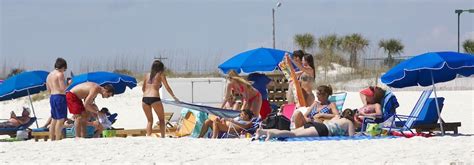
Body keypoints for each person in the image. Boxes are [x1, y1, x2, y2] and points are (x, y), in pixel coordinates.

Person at [255, 109, 357, 141]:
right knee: (293, 135)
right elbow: (352, 137)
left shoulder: (336, 117)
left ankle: (263, 131)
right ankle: (272, 133)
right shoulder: (349, 122)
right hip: (323, 130)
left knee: (291, 132)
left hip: (314, 125)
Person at [142, 60, 179, 138]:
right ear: (160, 68)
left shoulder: (147, 75)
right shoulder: (161, 75)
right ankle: (162, 137)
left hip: (145, 99)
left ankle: (148, 136)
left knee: (149, 120)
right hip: (154, 98)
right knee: (161, 119)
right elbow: (167, 87)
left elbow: (143, 88)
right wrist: (174, 97)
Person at [46, 57, 68, 141]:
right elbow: (63, 88)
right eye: (64, 69)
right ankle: (58, 138)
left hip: (52, 97)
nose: (64, 71)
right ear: (63, 67)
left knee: (54, 119)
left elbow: (48, 89)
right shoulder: (60, 74)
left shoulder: (49, 75)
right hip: (60, 97)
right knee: (60, 119)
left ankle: (52, 138)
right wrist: (69, 83)